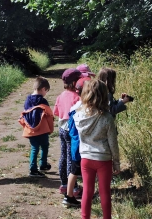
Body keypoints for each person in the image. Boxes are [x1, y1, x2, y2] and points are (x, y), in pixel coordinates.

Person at [73, 79, 121, 219]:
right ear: (104, 96)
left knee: (87, 191)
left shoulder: (78, 116)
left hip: (86, 159)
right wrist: (116, 162)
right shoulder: (107, 118)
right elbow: (113, 142)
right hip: (103, 159)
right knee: (104, 192)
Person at [62, 76, 91, 208]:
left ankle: (69, 196)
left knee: (74, 171)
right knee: (86, 172)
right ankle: (86, 195)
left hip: (75, 147)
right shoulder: (86, 109)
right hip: (83, 147)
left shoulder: (74, 107)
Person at [53, 68, 82, 195]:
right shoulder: (77, 97)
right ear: (75, 82)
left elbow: (56, 112)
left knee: (63, 156)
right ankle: (74, 187)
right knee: (72, 157)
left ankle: (64, 184)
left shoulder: (60, 96)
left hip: (61, 128)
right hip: (72, 130)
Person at [18, 76, 54, 177]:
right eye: (46, 91)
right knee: (44, 146)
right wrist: (50, 129)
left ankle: (33, 168)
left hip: (30, 130)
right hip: (42, 130)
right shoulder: (43, 102)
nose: (45, 93)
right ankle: (43, 164)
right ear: (43, 89)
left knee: (34, 148)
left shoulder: (27, 100)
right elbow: (49, 116)